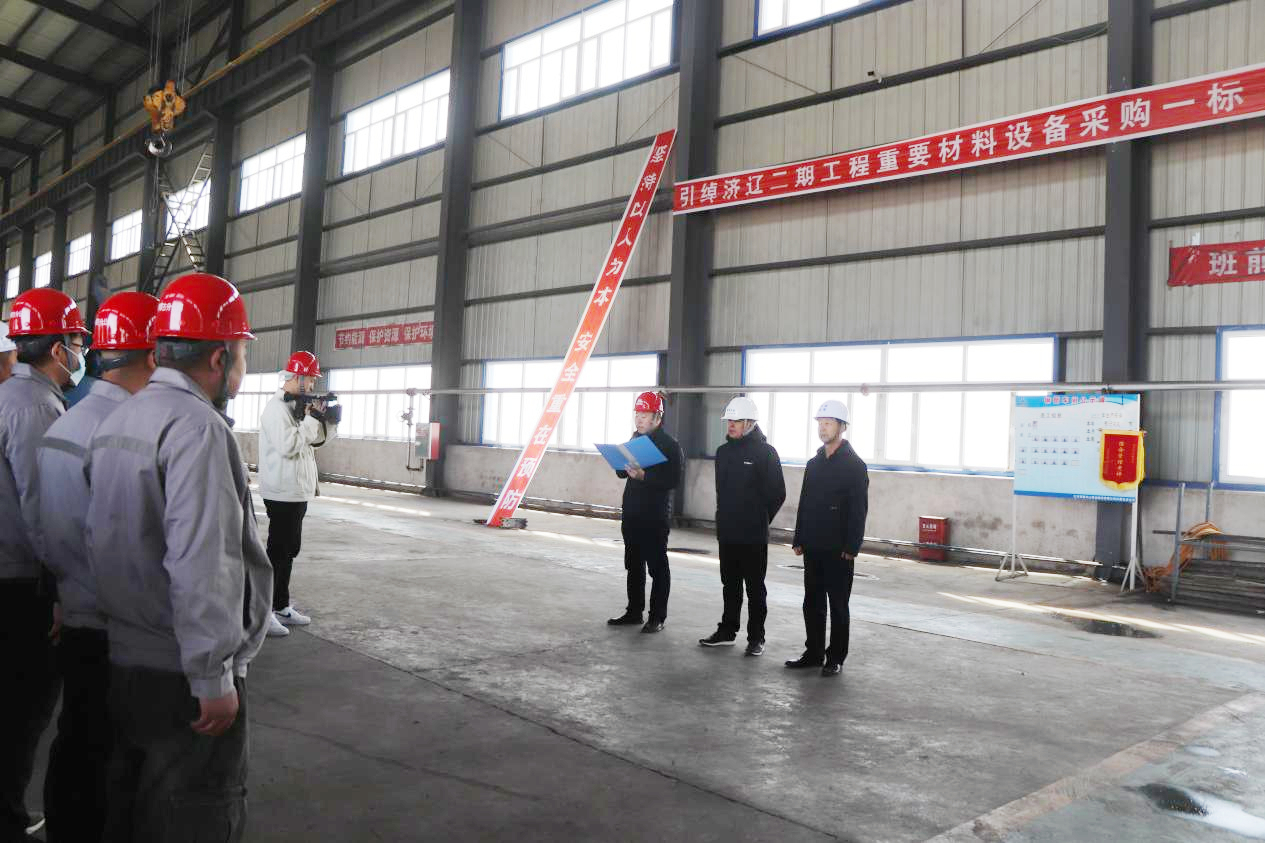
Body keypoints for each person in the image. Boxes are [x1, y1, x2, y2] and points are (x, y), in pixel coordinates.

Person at [85, 272, 272, 841]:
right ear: (219, 357)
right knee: (195, 813)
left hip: (125, 657)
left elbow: (100, 536)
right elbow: (204, 560)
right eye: (242, 354)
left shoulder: (120, 417)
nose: (242, 369)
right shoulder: (198, 428)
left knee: (134, 807)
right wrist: (212, 674)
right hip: (180, 673)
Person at [36, 291, 158, 842]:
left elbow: (44, 522)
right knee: (112, 753)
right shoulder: (131, 433)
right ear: (153, 355)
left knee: (78, 736)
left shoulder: (67, 421)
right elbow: (134, 545)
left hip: (73, 608)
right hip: (118, 625)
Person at [0, 288, 89, 840]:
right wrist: (61, 589)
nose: (81, 352)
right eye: (77, 340)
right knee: (23, 708)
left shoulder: (10, 395)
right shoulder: (35, 406)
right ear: (58, 348)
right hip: (20, 583)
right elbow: (42, 506)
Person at [258, 350, 338, 638]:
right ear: (297, 377)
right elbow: (288, 446)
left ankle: (280, 606)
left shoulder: (297, 407)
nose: (313, 384)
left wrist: (329, 422)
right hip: (281, 491)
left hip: (295, 491)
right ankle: (263, 612)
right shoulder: (275, 409)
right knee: (278, 552)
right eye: (310, 379)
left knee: (289, 550)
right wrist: (311, 418)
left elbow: (313, 441)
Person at [785, 399, 869, 678]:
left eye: (828, 423)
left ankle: (835, 658)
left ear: (842, 427)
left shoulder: (855, 466)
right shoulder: (814, 464)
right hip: (814, 544)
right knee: (812, 602)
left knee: (838, 605)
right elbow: (805, 502)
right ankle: (813, 653)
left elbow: (859, 509)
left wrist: (852, 545)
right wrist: (799, 537)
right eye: (820, 423)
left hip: (839, 548)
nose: (823, 428)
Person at [699, 396, 785, 657]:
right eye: (729, 421)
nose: (731, 425)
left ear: (750, 422)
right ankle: (727, 631)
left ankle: (756, 638)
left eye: (736, 421)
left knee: (755, 588)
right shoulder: (723, 453)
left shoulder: (766, 453)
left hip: (753, 535)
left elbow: (777, 494)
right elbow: (721, 492)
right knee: (730, 585)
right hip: (728, 532)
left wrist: (759, 519)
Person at [607, 391, 684, 633]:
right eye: (637, 414)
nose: (639, 419)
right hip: (632, 513)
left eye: (644, 415)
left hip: (654, 515)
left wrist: (645, 476)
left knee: (657, 567)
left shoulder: (670, 446)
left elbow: (673, 480)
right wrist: (622, 463)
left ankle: (657, 617)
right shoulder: (635, 439)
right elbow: (622, 473)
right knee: (633, 564)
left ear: (657, 417)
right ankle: (634, 611)